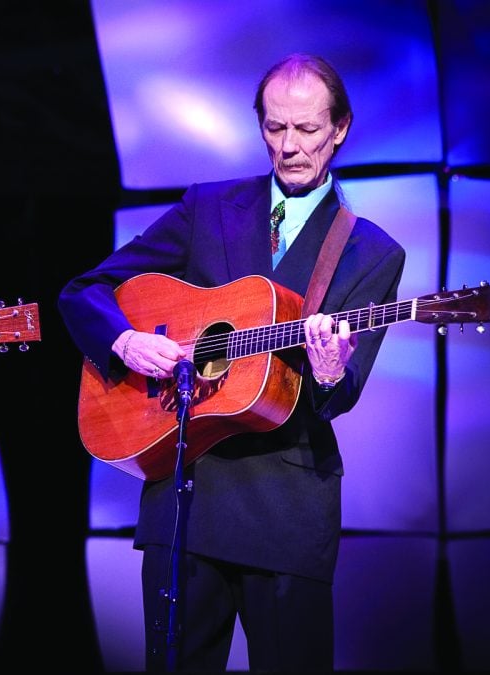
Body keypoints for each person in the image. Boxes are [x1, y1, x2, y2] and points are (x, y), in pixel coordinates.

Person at [58, 53, 405, 671]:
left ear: (341, 128)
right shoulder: (208, 207)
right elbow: (85, 291)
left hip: (287, 508)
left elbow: (341, 391)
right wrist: (125, 342)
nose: (289, 147)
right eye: (275, 129)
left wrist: (328, 373)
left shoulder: (369, 251)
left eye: (307, 130)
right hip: (187, 497)